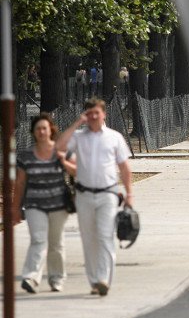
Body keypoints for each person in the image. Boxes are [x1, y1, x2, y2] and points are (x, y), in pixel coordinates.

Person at [56, 98, 133, 297]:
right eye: (89, 114)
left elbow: (124, 167)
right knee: (89, 238)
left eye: (96, 113)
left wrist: (129, 193)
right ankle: (93, 281)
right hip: (84, 194)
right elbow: (60, 147)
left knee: (105, 236)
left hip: (108, 193)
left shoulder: (114, 137)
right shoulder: (79, 137)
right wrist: (76, 123)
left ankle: (103, 279)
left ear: (104, 114)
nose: (93, 117)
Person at [15, 113, 76, 294]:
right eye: (38, 129)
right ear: (33, 132)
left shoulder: (62, 152)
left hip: (59, 205)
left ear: (51, 130)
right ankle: (31, 277)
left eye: (44, 128)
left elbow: (76, 172)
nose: (41, 132)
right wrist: (15, 207)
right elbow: (20, 183)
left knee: (56, 243)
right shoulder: (26, 156)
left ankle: (57, 279)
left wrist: (63, 161)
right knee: (38, 239)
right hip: (35, 205)